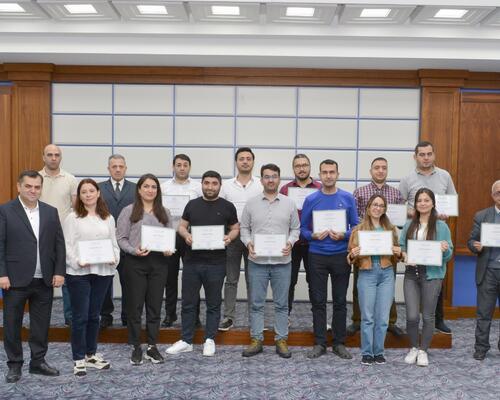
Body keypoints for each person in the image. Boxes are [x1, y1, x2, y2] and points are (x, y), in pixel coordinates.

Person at [0, 170, 65, 383]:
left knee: (41, 324)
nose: (33, 190)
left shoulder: (50, 212)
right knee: (12, 324)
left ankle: (38, 362)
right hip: (14, 279)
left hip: (44, 279)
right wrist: (2, 274)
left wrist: (59, 271)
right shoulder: (5, 211)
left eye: (37, 187)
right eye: (28, 186)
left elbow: (59, 244)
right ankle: (14, 364)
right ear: (19, 187)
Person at [166, 171, 239, 356]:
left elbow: (235, 228)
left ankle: (209, 340)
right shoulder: (192, 205)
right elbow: (181, 226)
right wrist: (186, 235)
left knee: (213, 303)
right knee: (188, 303)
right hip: (192, 262)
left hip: (217, 263)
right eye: (207, 183)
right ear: (202, 185)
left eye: (214, 183)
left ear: (220, 185)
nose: (210, 187)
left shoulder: (228, 206)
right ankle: (186, 340)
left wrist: (230, 237)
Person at [240, 163, 300, 358]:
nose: (271, 180)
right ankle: (256, 339)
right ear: (262, 180)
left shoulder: (289, 203)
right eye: (267, 176)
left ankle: (281, 339)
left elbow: (295, 229)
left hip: (282, 262)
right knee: (256, 303)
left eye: (274, 176)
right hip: (257, 262)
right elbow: (244, 228)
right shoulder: (251, 203)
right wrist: (248, 243)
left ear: (279, 179)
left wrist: (290, 242)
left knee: (281, 304)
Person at [301, 159, 359, 359]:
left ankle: (339, 342)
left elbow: (356, 227)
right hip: (317, 255)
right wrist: (312, 236)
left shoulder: (347, 198)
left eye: (331, 172)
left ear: (337, 174)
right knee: (318, 301)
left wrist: (344, 235)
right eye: (324, 172)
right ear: (319, 175)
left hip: (340, 255)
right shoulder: (311, 199)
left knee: (340, 301)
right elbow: (303, 228)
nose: (328, 176)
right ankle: (320, 343)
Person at [63, 179, 120, 376]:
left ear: (98, 193)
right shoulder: (72, 217)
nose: (88, 195)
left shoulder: (108, 217)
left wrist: (114, 259)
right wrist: (76, 261)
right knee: (80, 317)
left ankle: (90, 354)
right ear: (79, 196)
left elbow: (113, 243)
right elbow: (67, 245)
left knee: (94, 315)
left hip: (102, 272)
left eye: (91, 191)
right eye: (84, 192)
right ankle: (78, 358)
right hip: (79, 273)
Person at [399, 141, 457, 334]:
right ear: (415, 157)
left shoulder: (445, 176)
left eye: (429, 154)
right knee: (415, 277)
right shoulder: (407, 179)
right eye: (422, 154)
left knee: (435, 276)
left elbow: (452, 200)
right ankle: (415, 321)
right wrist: (417, 211)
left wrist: (445, 212)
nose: (426, 158)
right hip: (415, 233)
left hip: (437, 232)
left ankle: (437, 320)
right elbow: (399, 208)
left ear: (434, 155)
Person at [117, 174, 173, 365]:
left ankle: (151, 346)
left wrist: (168, 249)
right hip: (135, 263)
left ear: (158, 191)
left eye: (154, 187)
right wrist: (134, 250)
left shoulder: (164, 212)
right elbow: (121, 238)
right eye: (146, 186)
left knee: (154, 306)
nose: (150, 190)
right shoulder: (128, 211)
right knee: (135, 307)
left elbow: (169, 238)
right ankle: (135, 346)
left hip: (159, 264)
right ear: (139, 190)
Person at [348, 157, 405, 337]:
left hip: (387, 247)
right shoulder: (360, 192)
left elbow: (400, 221)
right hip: (364, 247)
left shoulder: (396, 194)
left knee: (388, 285)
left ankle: (390, 321)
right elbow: (354, 218)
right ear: (371, 171)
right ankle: (358, 320)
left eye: (384, 168)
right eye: (377, 168)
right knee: (359, 286)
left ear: (387, 170)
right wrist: (364, 238)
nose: (380, 171)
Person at [400, 188, 453, 367]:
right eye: (419, 200)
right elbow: (401, 245)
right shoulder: (409, 224)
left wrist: (445, 250)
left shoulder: (442, 226)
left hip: (432, 275)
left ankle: (423, 350)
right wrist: (404, 255)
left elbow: (449, 253)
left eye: (426, 200)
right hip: (411, 274)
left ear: (432, 203)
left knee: (429, 316)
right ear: (415, 204)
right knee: (412, 316)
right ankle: (414, 347)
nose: (422, 203)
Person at [347, 194, 402, 365]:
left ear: (385, 209)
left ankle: (379, 351)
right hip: (367, 273)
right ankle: (367, 352)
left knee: (383, 317)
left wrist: (398, 252)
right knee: (368, 317)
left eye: (381, 205)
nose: (377, 208)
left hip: (386, 273)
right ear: (368, 208)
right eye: (374, 205)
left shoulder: (391, 229)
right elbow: (350, 258)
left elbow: (397, 256)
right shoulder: (358, 230)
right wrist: (353, 254)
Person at [219, 147, 263, 331]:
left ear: (253, 162)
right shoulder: (226, 185)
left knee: (254, 280)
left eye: (248, 158)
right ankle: (229, 317)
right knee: (231, 279)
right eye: (241, 159)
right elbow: (220, 209)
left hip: (255, 237)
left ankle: (255, 318)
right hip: (233, 237)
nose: (245, 161)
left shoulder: (261, 184)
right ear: (236, 162)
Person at [160, 154, 202, 328]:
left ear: (189, 167)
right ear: (173, 167)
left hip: (190, 236)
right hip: (170, 235)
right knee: (170, 278)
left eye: (185, 165)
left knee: (193, 278)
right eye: (179, 165)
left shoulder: (198, 187)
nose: (182, 168)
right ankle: (170, 314)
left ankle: (194, 316)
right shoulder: (164, 187)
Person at [38, 144, 78, 327]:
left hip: (65, 236)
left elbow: (76, 208)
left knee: (67, 279)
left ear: (60, 157)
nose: (53, 158)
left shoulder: (70, 179)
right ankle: (41, 319)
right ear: (43, 157)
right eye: (50, 155)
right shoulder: (36, 178)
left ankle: (70, 318)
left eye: (57, 155)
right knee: (41, 280)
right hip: (40, 236)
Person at [279, 154, 321, 322]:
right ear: (293, 169)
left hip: (314, 242)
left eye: (304, 165)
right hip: (292, 243)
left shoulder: (319, 188)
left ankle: (318, 319)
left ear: (310, 167)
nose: (301, 168)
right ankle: (285, 317)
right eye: (298, 166)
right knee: (288, 282)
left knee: (315, 283)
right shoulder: (285, 190)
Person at [98, 154, 136, 329]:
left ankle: (127, 315)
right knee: (104, 282)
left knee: (129, 283)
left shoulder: (136, 189)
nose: (118, 169)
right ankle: (105, 315)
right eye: (114, 166)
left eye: (121, 166)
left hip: (128, 243)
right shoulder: (98, 188)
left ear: (126, 168)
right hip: (105, 243)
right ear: (108, 169)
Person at [467, 180, 500, 361]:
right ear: (493, 195)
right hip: (488, 272)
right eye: (498, 192)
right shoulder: (482, 216)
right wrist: (475, 246)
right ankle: (481, 347)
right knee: (484, 313)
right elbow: (471, 241)